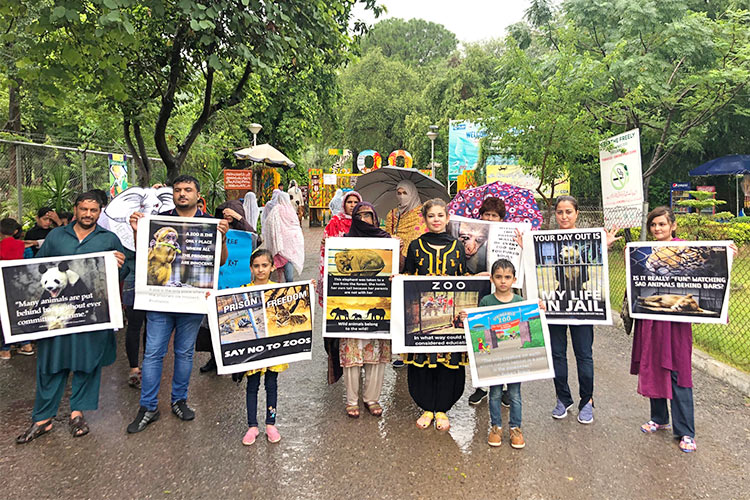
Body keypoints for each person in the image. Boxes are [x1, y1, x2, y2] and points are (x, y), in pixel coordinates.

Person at [16, 192, 127, 443]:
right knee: (50, 364)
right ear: (75, 209)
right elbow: (37, 269)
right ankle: (42, 418)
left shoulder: (109, 239)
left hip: (92, 314)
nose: (88, 214)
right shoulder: (56, 236)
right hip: (58, 315)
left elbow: (124, 271)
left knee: (87, 363)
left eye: (94, 210)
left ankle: (77, 414)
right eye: (84, 209)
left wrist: (121, 264)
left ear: (100, 212)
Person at [126, 175, 229, 434]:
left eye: (188, 190)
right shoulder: (159, 221)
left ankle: (179, 400)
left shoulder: (209, 224)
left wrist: (223, 240)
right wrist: (137, 231)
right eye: (178, 190)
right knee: (153, 353)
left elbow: (221, 262)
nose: (182, 194)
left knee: (184, 353)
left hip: (192, 302)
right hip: (159, 300)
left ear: (197, 194)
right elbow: (144, 256)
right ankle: (148, 406)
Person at [630, 207, 735, 453]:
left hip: (676, 323)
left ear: (673, 226)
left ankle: (686, 431)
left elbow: (710, 270)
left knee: (678, 372)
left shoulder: (688, 249)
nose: (657, 229)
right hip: (652, 319)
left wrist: (728, 255)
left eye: (662, 224)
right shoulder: (647, 252)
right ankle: (659, 418)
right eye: (653, 225)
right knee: (653, 364)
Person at [548, 195, 620, 424]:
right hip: (556, 302)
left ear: (576, 213)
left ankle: (587, 400)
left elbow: (596, 266)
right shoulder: (546, 240)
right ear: (555, 214)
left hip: (583, 303)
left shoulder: (588, 241)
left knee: (584, 354)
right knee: (557, 354)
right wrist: (525, 250)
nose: (564, 216)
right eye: (560, 212)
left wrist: (604, 246)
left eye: (568, 211)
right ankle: (563, 398)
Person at [401, 198, 467, 431]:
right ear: (425, 219)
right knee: (423, 362)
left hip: (449, 317)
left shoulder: (457, 247)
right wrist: (400, 280)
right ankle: (427, 407)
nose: (436, 219)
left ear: (447, 218)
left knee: (448, 362)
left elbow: (463, 279)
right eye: (432, 216)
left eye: (441, 215)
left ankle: (442, 409)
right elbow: (407, 276)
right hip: (421, 318)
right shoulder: (415, 246)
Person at [339, 202, 393, 418]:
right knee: (352, 355)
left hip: (378, 303)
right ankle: (351, 400)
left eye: (368, 215)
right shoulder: (344, 242)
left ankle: (372, 398)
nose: (363, 219)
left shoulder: (386, 241)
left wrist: (397, 253)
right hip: (352, 305)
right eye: (359, 215)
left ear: (375, 217)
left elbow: (397, 268)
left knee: (376, 355)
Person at [197, 200, 259, 374]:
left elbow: (256, 238)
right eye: (224, 211)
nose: (227, 214)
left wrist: (239, 218)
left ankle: (237, 360)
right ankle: (214, 359)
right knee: (213, 324)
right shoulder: (214, 229)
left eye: (231, 212)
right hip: (216, 284)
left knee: (237, 323)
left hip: (236, 285)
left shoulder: (245, 234)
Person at [472, 259, 527, 449]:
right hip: (494, 357)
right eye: (498, 277)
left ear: (514, 279)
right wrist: (466, 317)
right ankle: (496, 427)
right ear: (492, 279)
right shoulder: (486, 301)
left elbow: (527, 329)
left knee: (515, 394)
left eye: (507, 277)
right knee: (495, 394)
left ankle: (515, 429)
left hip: (514, 357)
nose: (503, 281)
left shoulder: (521, 302)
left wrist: (540, 309)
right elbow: (478, 327)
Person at [238, 249, 286, 445]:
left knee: (272, 385)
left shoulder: (280, 290)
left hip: (273, 347)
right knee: (252, 386)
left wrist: (307, 288)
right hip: (253, 349)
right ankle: (252, 425)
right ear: (251, 268)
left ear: (272, 267)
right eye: (256, 266)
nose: (260, 270)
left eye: (264, 265)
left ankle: (270, 423)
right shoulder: (243, 289)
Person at [317, 190, 362, 383]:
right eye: (349, 202)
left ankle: (357, 363)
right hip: (339, 282)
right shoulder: (335, 223)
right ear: (344, 204)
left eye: (355, 202)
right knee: (338, 327)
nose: (352, 205)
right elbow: (325, 252)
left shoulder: (366, 223)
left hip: (361, 286)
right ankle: (339, 362)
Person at [467, 197, 508, 405]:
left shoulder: (510, 237)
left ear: (502, 218)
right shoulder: (475, 238)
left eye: (494, 216)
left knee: (506, 336)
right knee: (482, 337)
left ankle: (506, 387)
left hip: (504, 294)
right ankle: (481, 387)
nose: (490, 218)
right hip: (482, 293)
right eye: (486, 215)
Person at [0, 218, 34, 360]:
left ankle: (6, 349)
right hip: (21, 287)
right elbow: (31, 266)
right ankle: (26, 345)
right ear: (16, 231)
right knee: (20, 315)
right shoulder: (24, 247)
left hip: (2, 287)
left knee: (4, 318)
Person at [261, 190, 304, 283]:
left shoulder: (276, 209)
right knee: (289, 263)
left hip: (278, 244)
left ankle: (278, 286)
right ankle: (289, 285)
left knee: (277, 268)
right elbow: (296, 226)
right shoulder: (291, 210)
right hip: (290, 244)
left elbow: (269, 223)